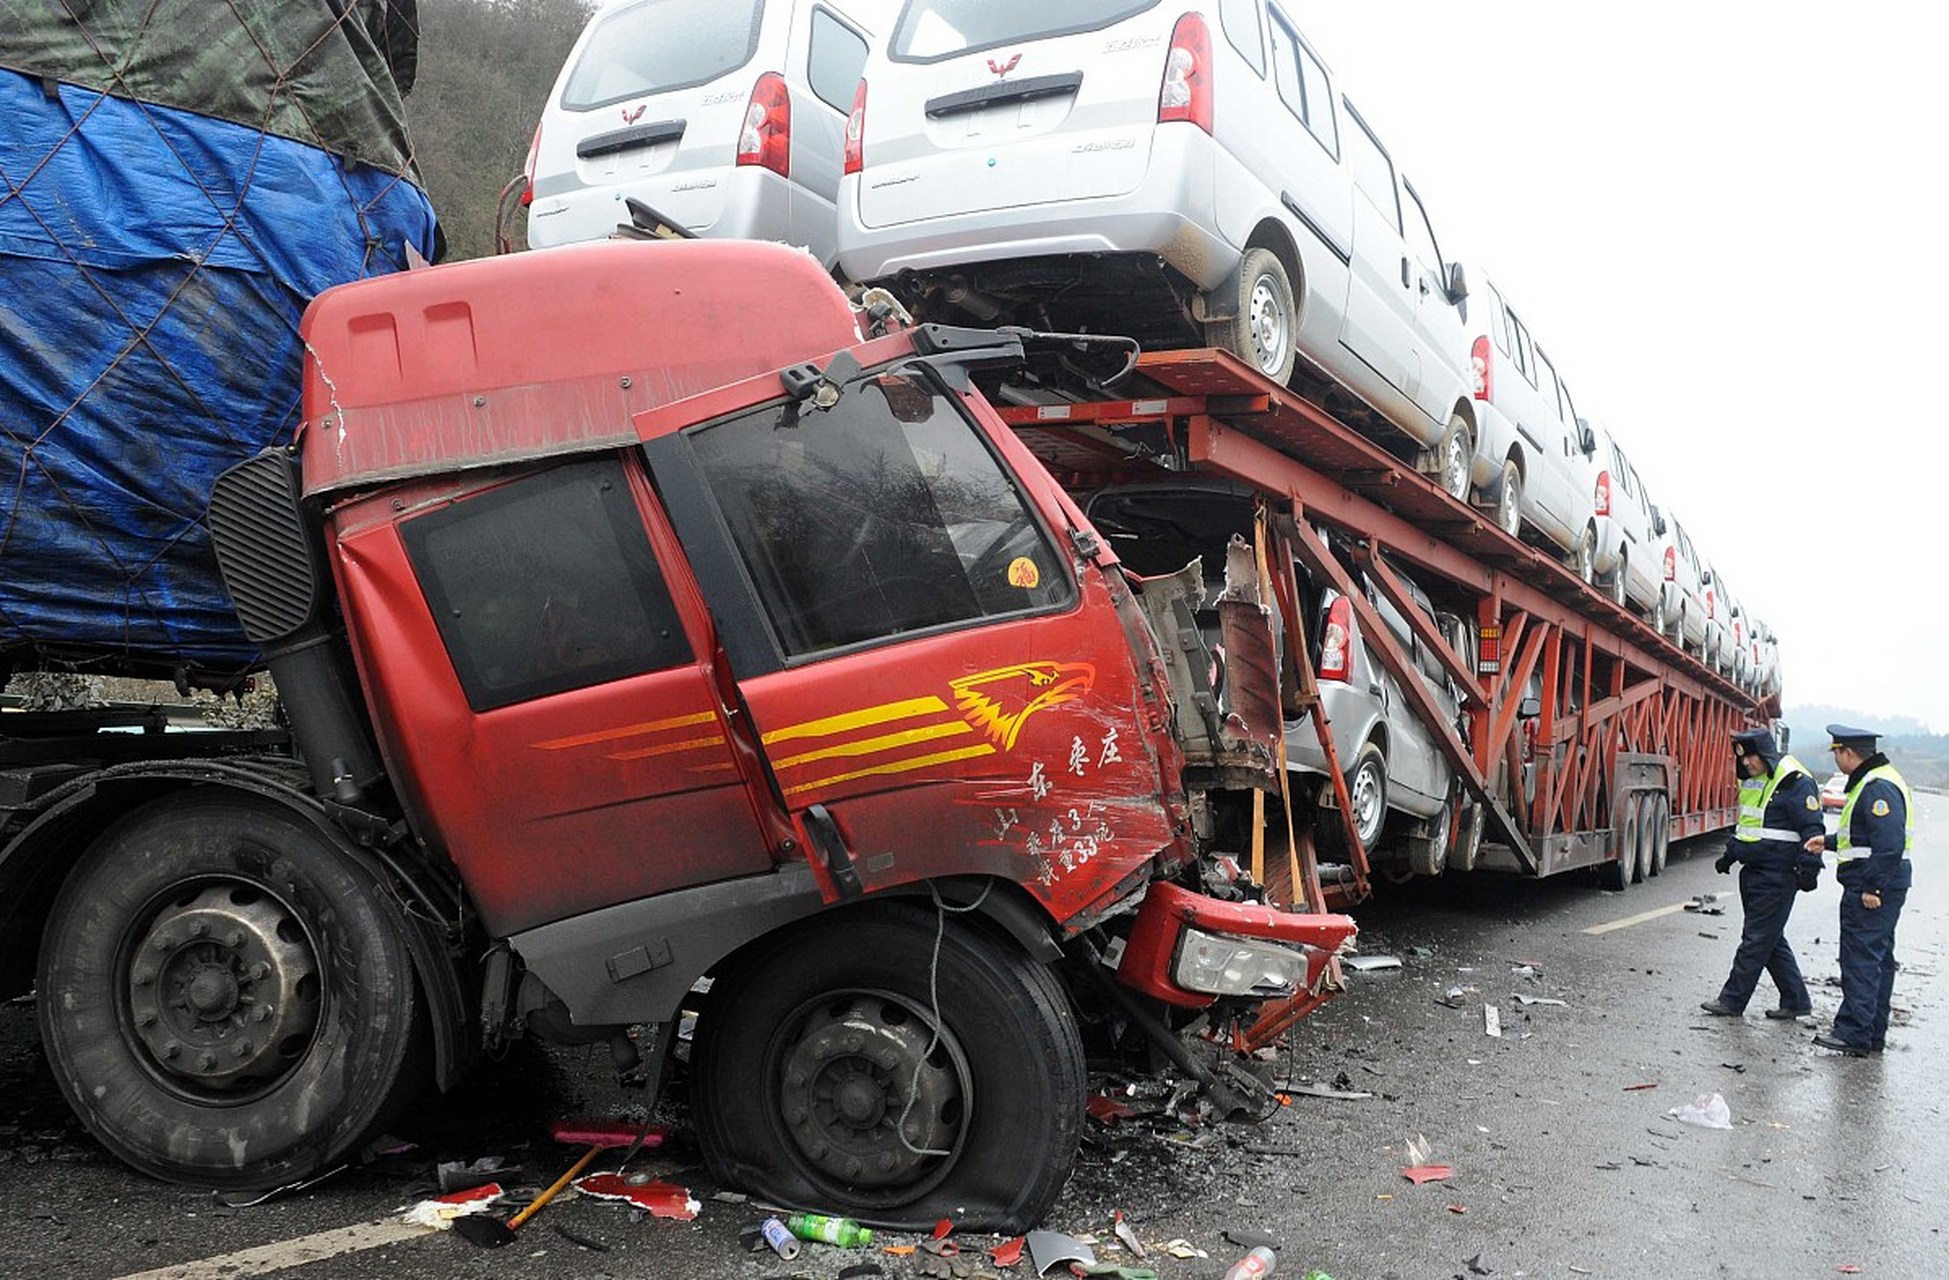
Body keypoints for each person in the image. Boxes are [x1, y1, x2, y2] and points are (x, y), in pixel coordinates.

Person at [1699, 726, 1825, 1019]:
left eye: (1751, 758)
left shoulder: (1795, 782)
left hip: (1778, 875)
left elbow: (1812, 830)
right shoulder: (1756, 781)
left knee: (1756, 939)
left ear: (1766, 753)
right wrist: (1730, 855)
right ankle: (1795, 1001)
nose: (1746, 764)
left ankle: (1732, 1001)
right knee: (1770, 938)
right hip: (1754, 872)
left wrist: (1809, 869)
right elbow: (1749, 826)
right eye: (1742, 759)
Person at [1806, 724, 1912, 1057]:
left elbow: (1889, 844)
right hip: (1884, 883)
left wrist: (1873, 887)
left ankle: (1853, 1032)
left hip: (1874, 888)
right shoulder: (1876, 780)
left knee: (1861, 961)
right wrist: (1830, 842)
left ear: (1847, 753)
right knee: (1878, 961)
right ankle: (1871, 1033)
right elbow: (1865, 837)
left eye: (1836, 753)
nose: (1837, 759)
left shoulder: (1877, 786)